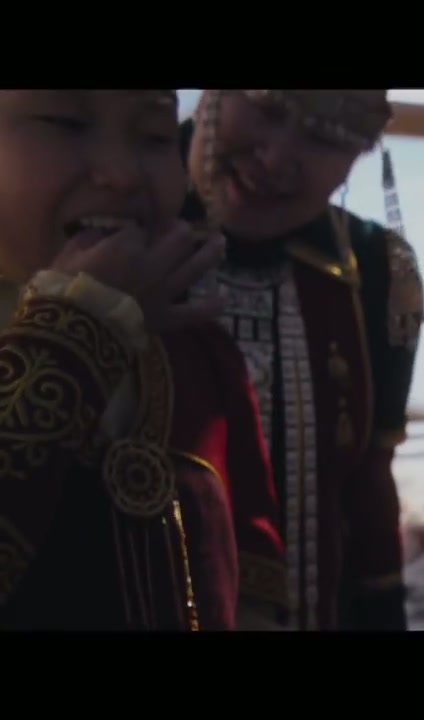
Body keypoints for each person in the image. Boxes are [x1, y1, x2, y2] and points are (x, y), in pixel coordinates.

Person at [0, 90, 283, 630]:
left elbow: (253, 593)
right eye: (64, 123)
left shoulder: (203, 355)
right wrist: (73, 333)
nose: (123, 175)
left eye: (154, 136)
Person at [180, 90, 424, 630]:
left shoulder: (380, 272)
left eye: (323, 137)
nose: (275, 160)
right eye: (267, 110)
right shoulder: (97, 214)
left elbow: (369, 491)